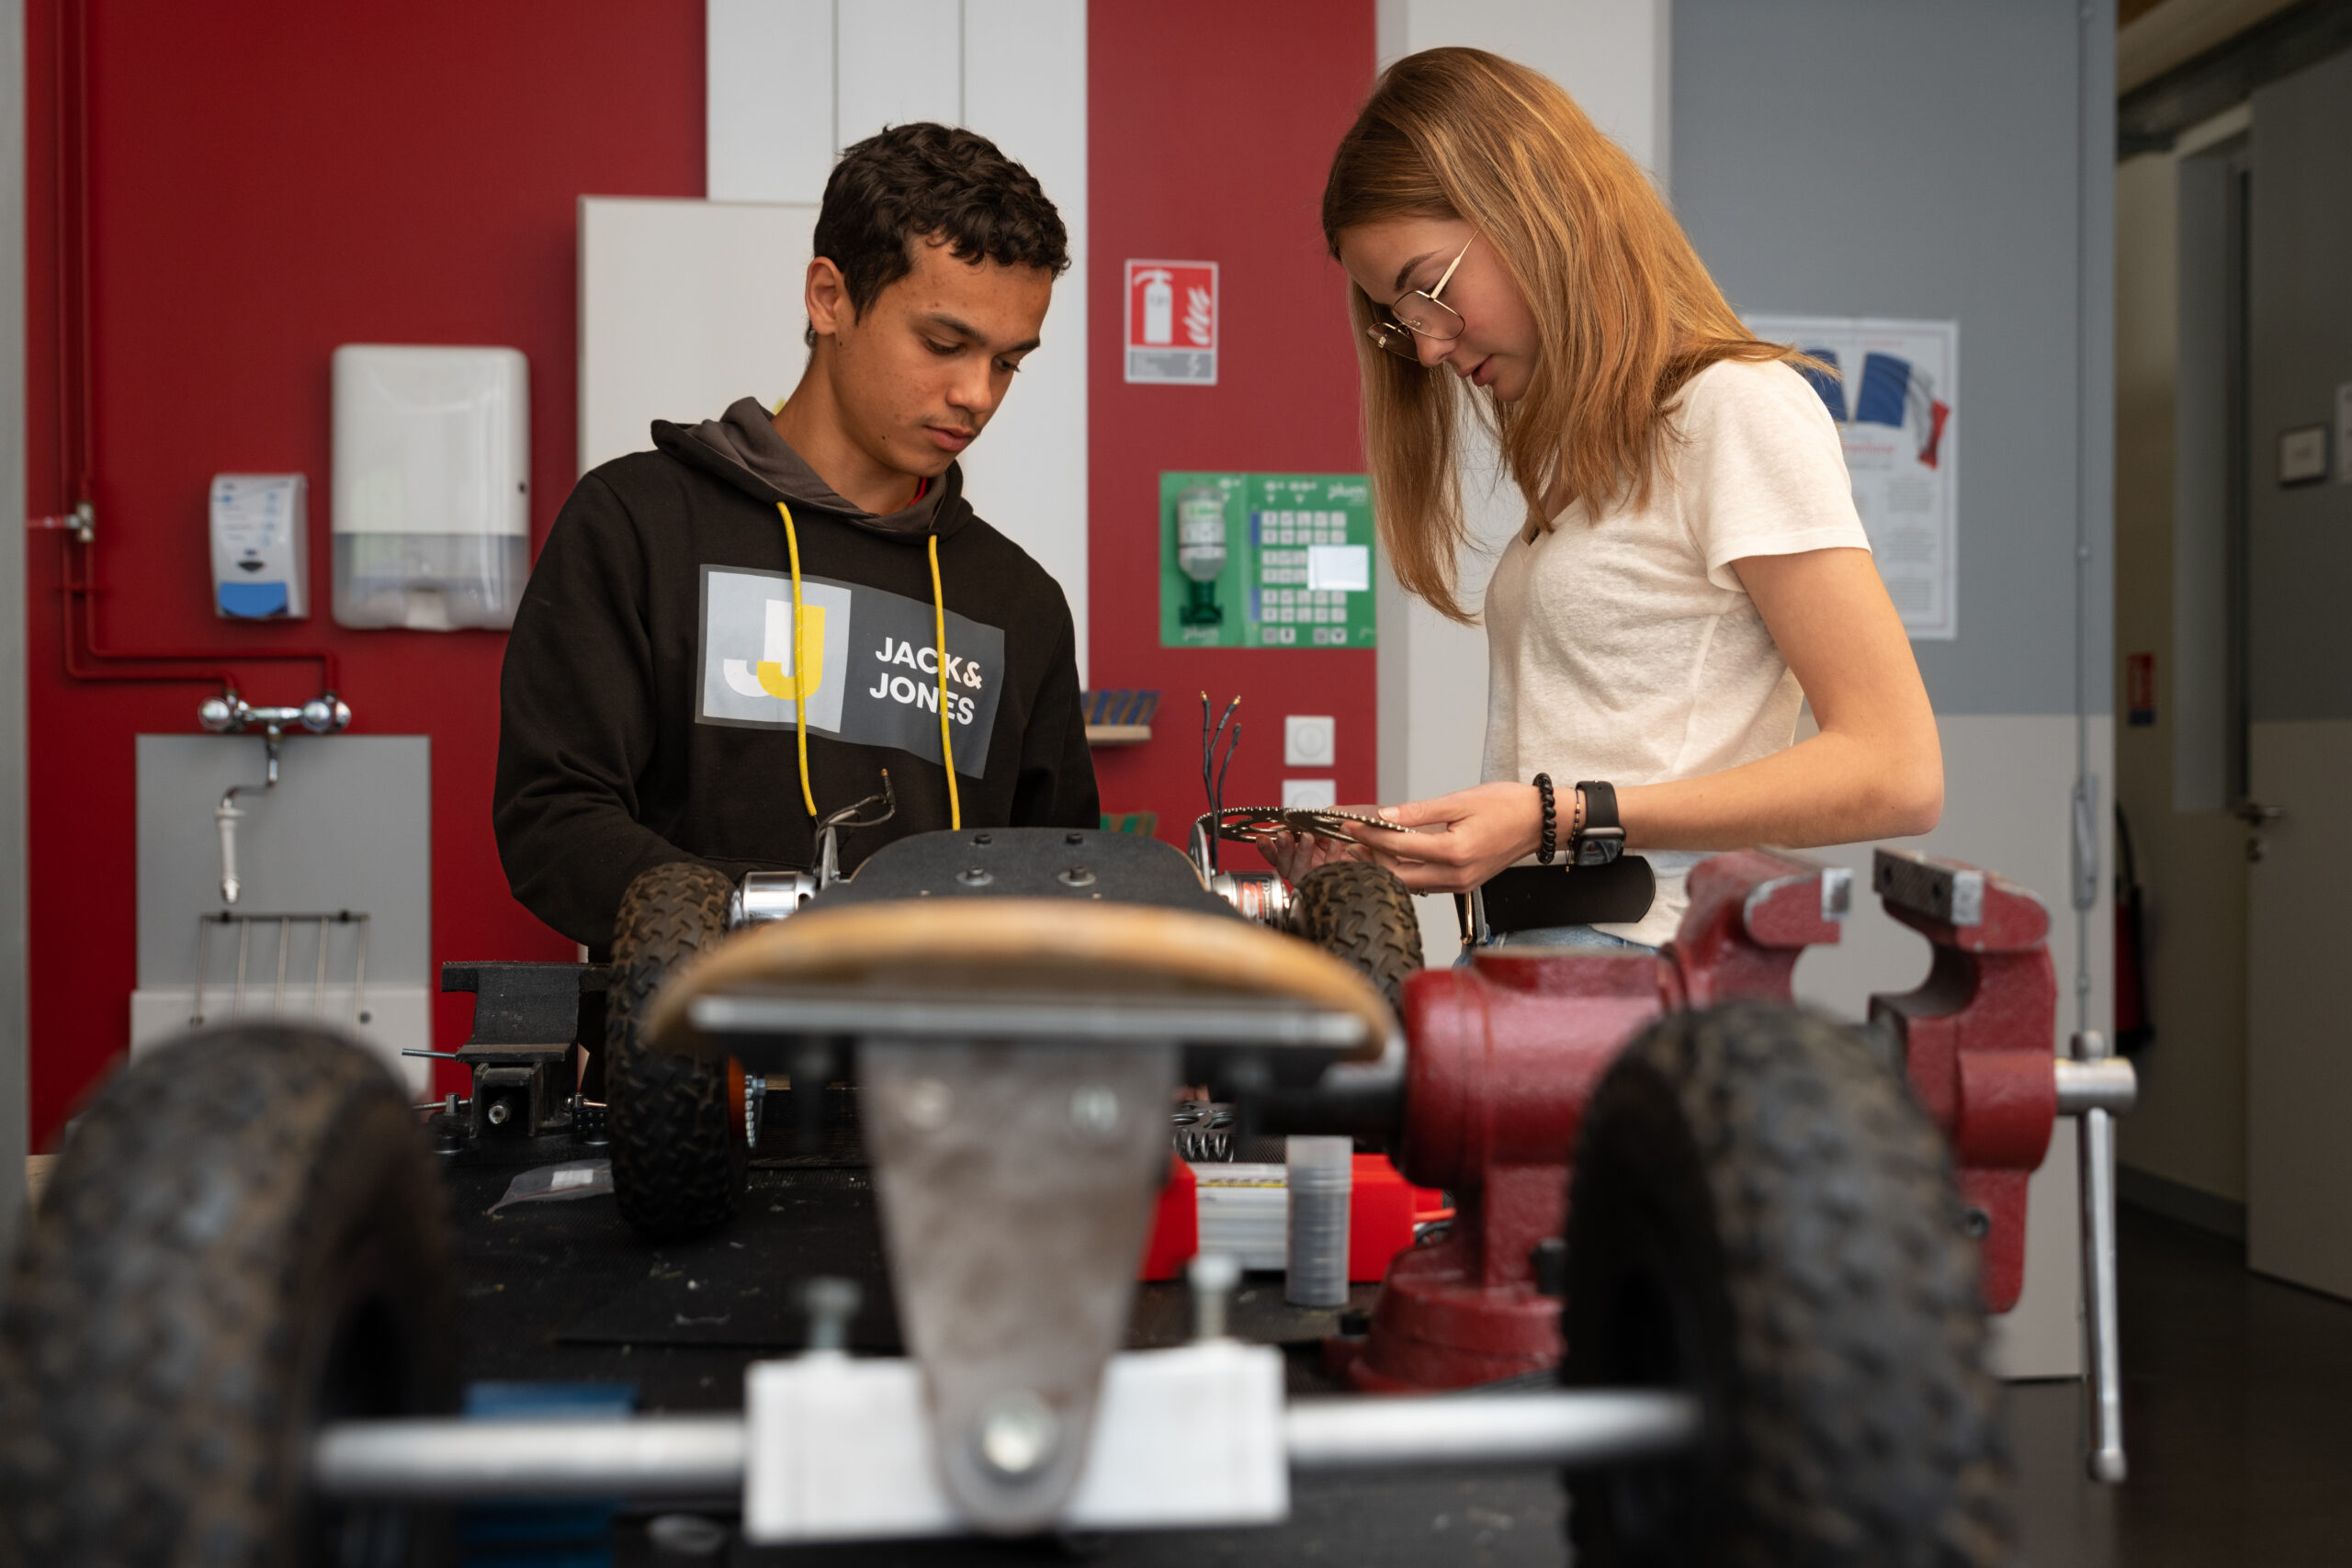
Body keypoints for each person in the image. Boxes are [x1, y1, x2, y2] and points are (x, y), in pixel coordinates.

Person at [1269, 48, 1941, 952]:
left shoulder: (1734, 410)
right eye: (1403, 321)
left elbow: (1896, 770)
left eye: (1429, 291)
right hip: (1532, 954)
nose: (1427, 348)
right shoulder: (1588, 459)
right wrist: (1437, 839)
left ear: (1531, 207)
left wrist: (1555, 816)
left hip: (1642, 964)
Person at [495, 122, 1099, 953]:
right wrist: (758, 931)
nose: (977, 394)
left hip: (941, 1036)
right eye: (944, 343)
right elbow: (553, 818)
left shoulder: (1020, 605)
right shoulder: (638, 524)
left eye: (1007, 362)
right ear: (829, 298)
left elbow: (1063, 874)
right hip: (692, 1028)